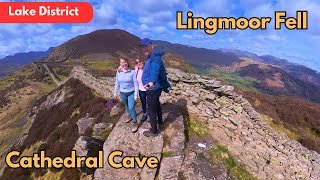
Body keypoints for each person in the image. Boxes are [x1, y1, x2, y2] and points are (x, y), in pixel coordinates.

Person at [140, 38, 171, 137]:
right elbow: (150, 68)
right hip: (154, 88)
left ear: (152, 45)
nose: (144, 49)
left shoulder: (155, 58)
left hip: (153, 88)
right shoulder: (151, 57)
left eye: (146, 46)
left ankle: (153, 131)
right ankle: (160, 122)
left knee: (151, 110)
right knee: (156, 104)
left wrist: (152, 81)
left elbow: (155, 70)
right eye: (142, 47)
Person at [114, 57, 139, 133]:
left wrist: (136, 95)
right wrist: (115, 92)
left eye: (125, 62)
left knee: (131, 107)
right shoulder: (119, 72)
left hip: (131, 92)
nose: (124, 64)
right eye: (122, 62)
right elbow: (117, 83)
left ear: (128, 63)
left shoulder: (132, 72)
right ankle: (130, 115)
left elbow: (136, 84)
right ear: (120, 64)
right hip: (122, 92)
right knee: (126, 105)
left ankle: (135, 122)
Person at [135, 57, 148, 122]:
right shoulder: (137, 70)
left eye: (140, 61)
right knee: (143, 103)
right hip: (141, 90)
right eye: (137, 62)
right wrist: (120, 68)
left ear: (143, 61)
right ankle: (145, 114)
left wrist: (148, 87)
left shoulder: (147, 68)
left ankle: (151, 115)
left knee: (150, 103)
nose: (138, 63)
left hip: (149, 90)